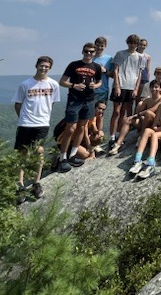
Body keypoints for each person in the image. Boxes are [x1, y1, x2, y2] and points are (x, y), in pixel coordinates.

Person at [12, 56, 61, 202]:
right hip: (26, 123)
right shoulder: (25, 84)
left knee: (39, 150)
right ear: (37, 66)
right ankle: (20, 186)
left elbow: (51, 104)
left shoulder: (53, 84)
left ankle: (36, 182)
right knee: (23, 154)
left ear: (50, 68)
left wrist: (43, 117)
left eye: (46, 66)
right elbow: (18, 104)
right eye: (41, 65)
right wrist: (23, 118)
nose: (44, 68)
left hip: (42, 123)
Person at [57, 42, 103, 172]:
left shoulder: (96, 67)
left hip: (89, 100)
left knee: (82, 127)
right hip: (74, 100)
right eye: (87, 51)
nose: (89, 54)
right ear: (82, 52)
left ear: (94, 53)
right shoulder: (74, 65)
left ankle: (73, 155)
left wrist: (96, 86)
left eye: (91, 52)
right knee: (70, 129)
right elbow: (62, 81)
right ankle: (62, 158)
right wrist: (73, 85)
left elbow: (99, 81)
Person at [108, 35, 146, 154]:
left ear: (137, 44)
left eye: (135, 43)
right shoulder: (120, 54)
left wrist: (136, 89)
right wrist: (117, 86)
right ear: (127, 43)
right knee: (116, 112)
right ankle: (112, 137)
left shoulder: (140, 57)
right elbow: (115, 70)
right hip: (120, 85)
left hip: (131, 87)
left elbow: (139, 74)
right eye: (131, 43)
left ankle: (120, 136)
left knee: (125, 113)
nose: (132, 45)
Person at [112, 79, 161, 155]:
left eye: (156, 87)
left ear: (160, 88)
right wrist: (134, 117)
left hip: (156, 123)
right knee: (128, 120)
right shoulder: (147, 100)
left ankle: (141, 137)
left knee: (148, 113)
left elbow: (153, 109)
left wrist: (137, 115)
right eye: (152, 87)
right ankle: (118, 144)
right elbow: (139, 111)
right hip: (146, 121)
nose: (154, 89)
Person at [135, 38, 152, 104]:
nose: (142, 46)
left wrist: (148, 78)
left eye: (144, 45)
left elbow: (148, 68)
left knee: (139, 98)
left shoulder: (147, 56)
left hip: (143, 77)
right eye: (141, 44)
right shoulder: (134, 54)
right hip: (134, 76)